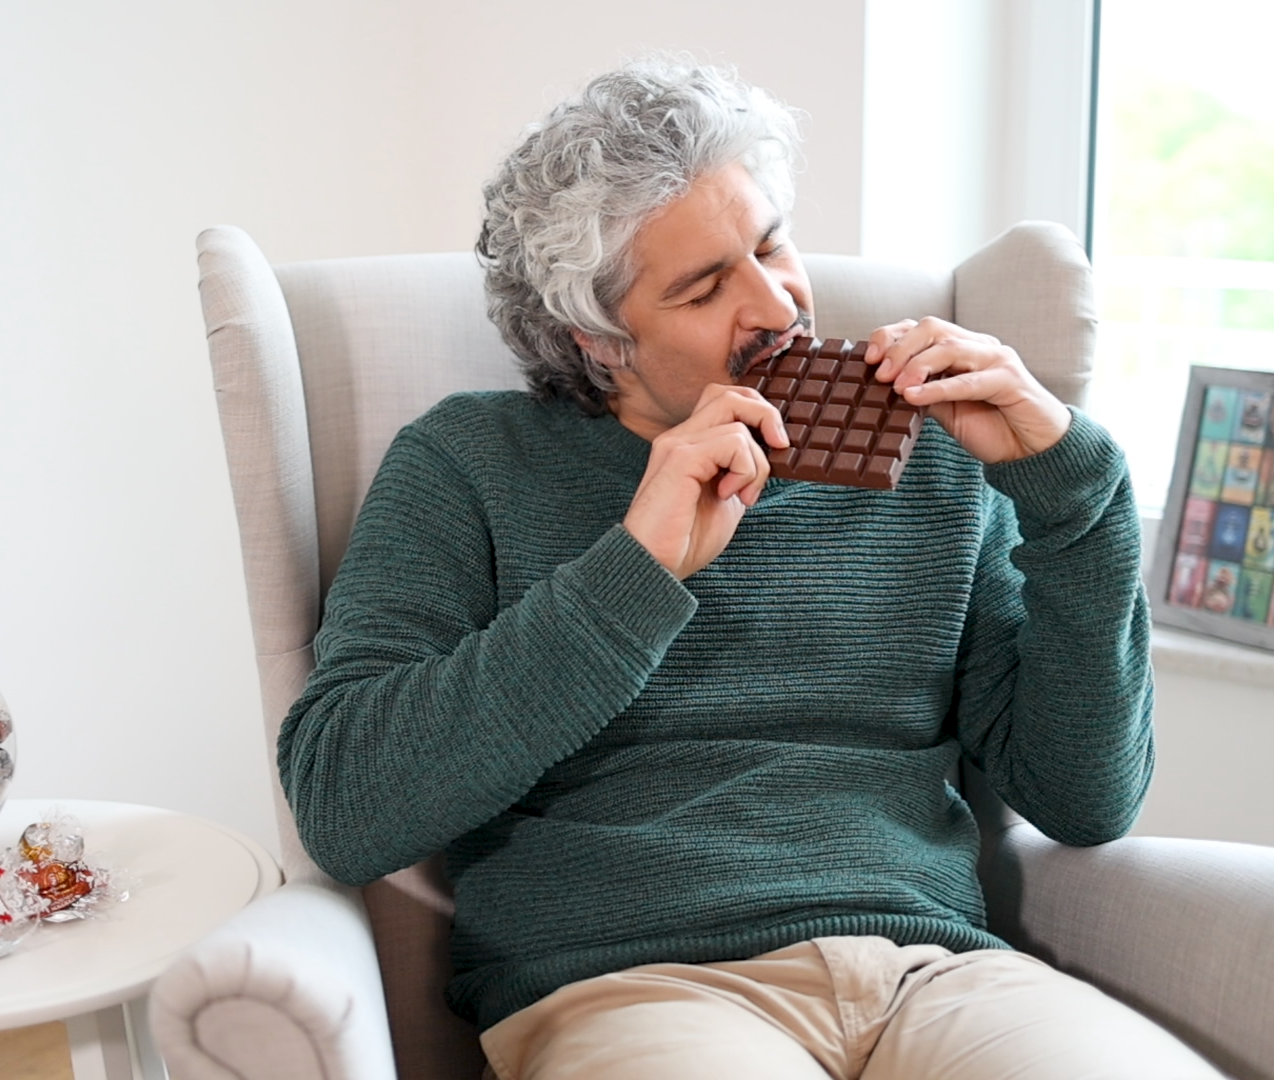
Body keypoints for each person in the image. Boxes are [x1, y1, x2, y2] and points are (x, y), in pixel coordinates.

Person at [277, 57, 1223, 1079]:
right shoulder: (468, 463)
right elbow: (344, 807)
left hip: (936, 975)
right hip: (635, 986)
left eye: (771, 243)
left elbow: (1087, 799)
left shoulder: (942, 455)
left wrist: (1073, 494)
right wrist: (635, 570)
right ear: (598, 341)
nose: (779, 306)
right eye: (703, 287)